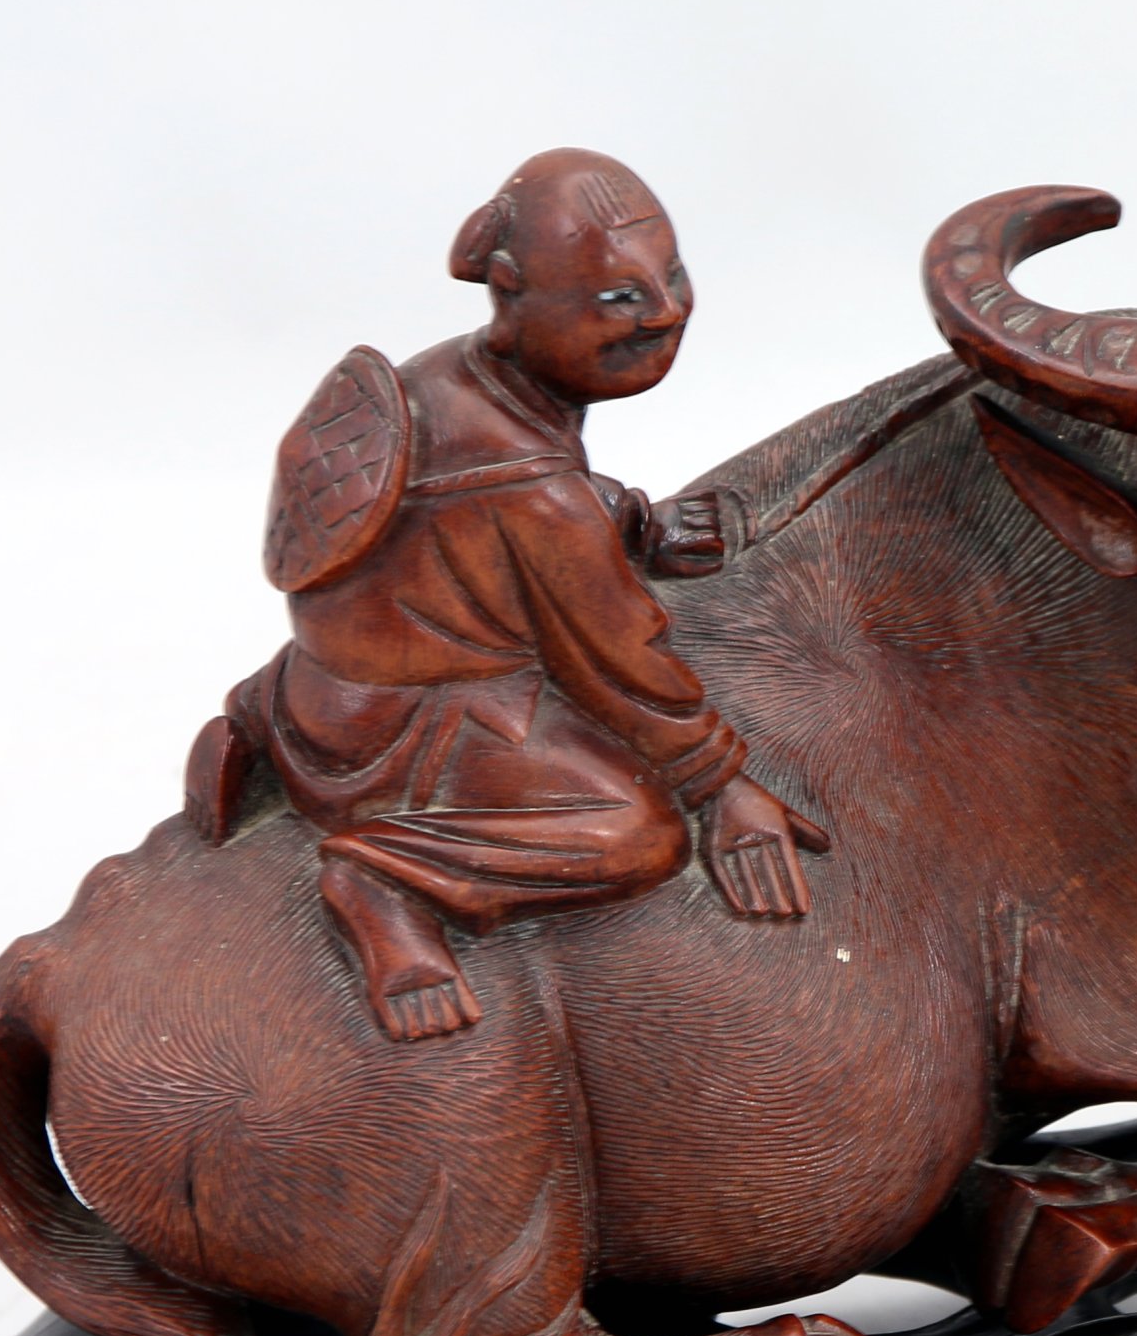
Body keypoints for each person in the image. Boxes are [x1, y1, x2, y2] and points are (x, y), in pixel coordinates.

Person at [188, 149, 826, 1041]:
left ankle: (265, 721)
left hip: (320, 676)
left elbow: (473, 521)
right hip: (416, 722)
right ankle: (389, 876)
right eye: (620, 298)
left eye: (672, 276)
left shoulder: (446, 376)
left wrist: (632, 521)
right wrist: (720, 786)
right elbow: (614, 659)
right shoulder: (536, 491)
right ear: (512, 293)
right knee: (637, 831)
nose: (667, 310)